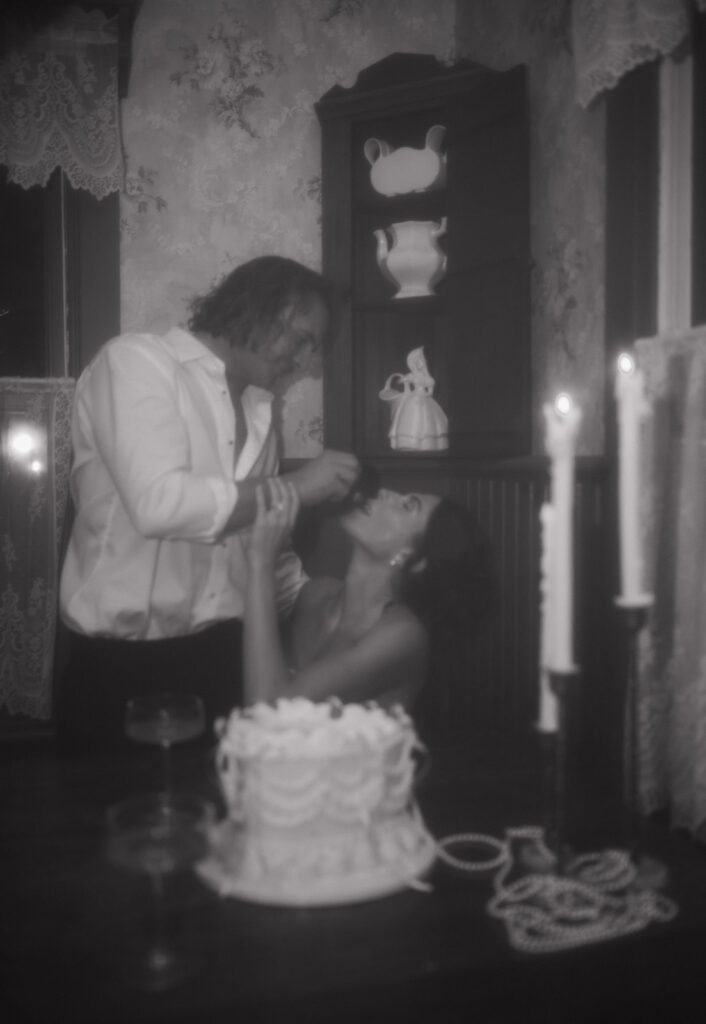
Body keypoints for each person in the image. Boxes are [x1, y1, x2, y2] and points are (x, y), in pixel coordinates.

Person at [56, 255, 360, 752]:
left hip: (225, 661)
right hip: (120, 670)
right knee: (106, 826)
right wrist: (300, 487)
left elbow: (264, 548)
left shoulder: (261, 415)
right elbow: (160, 504)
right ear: (263, 307)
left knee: (220, 822)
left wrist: (339, 601)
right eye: (304, 338)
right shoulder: (136, 361)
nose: (307, 362)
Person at [242, 475, 493, 714]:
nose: (384, 492)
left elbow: (267, 714)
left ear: (413, 559)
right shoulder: (315, 594)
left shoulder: (403, 637)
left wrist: (261, 561)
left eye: (407, 506)